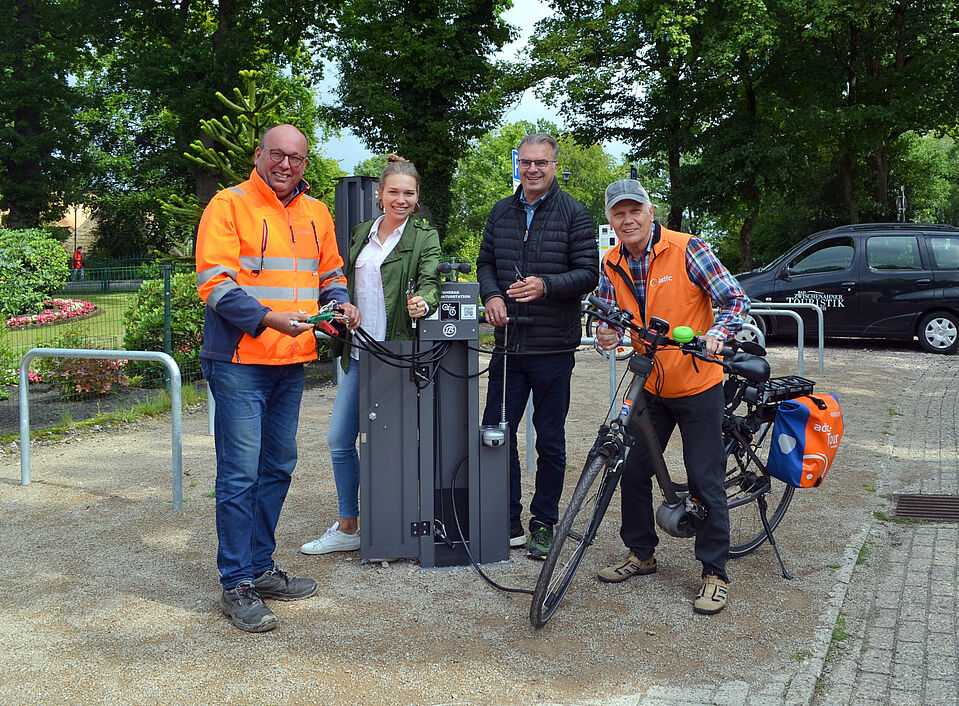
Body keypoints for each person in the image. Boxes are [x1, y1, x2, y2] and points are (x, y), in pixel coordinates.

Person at [196, 124, 361, 632]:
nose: (286, 164)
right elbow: (214, 283)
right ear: (259, 155)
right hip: (241, 361)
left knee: (277, 467)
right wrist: (268, 319)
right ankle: (237, 583)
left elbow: (329, 273)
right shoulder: (228, 204)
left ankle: (261, 568)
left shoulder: (316, 212)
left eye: (296, 157)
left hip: (291, 359)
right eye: (277, 155)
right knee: (241, 473)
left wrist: (339, 305)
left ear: (305, 163)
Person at [593, 179, 749, 615]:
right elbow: (612, 317)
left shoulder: (687, 248)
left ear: (650, 210)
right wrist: (607, 332)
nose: (627, 220)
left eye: (634, 210)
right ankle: (641, 554)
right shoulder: (611, 262)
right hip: (652, 384)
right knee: (632, 469)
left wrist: (717, 335)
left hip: (697, 381)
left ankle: (714, 573)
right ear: (610, 219)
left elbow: (735, 300)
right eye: (618, 213)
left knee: (705, 477)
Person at [300, 154, 441, 555]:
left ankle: (403, 524)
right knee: (339, 440)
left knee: (401, 442)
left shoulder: (423, 236)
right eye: (393, 191)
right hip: (360, 352)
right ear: (380, 195)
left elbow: (430, 281)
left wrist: (424, 304)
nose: (400, 199)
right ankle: (350, 525)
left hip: (398, 353)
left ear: (416, 197)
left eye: (408, 193)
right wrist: (342, 307)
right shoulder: (363, 232)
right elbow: (341, 283)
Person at [476, 132, 598, 560]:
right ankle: (505, 517)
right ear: (518, 165)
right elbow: (485, 262)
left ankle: (543, 521)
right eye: (525, 163)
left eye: (540, 163)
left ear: (554, 166)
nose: (532, 170)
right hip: (509, 348)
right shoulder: (501, 211)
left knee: (550, 440)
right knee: (498, 434)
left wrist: (546, 285)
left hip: (552, 348)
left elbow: (588, 274)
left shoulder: (575, 214)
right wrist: (491, 296)